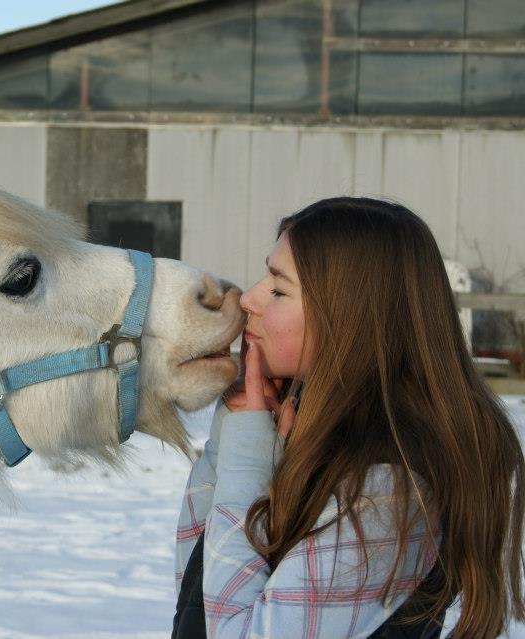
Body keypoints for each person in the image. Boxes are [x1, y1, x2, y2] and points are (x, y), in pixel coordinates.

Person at [172, 198, 525, 638]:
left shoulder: (389, 486)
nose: (248, 299)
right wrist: (239, 430)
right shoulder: (315, 433)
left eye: (279, 289)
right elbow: (198, 586)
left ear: (349, 318)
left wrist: (246, 453)